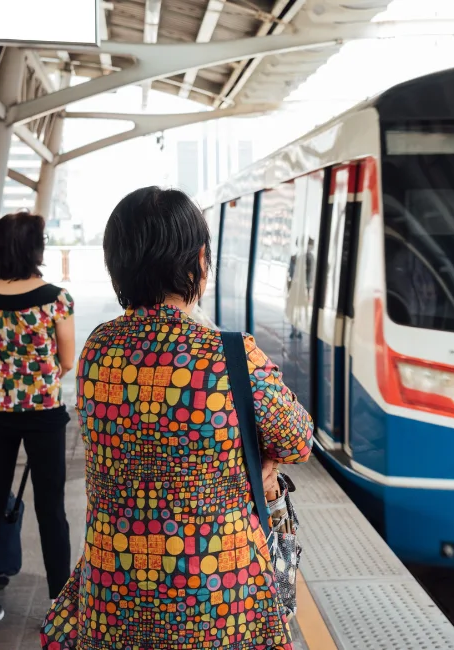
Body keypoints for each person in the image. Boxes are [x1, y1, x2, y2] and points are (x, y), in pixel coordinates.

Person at [41, 187, 313, 650]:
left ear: (118, 264)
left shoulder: (98, 348)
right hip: (217, 594)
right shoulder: (228, 355)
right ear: (198, 261)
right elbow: (298, 439)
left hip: (115, 587)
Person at [0, 212, 75, 636]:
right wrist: (36, 379)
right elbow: (66, 360)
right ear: (35, 249)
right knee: (50, 509)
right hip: (43, 414)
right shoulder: (54, 298)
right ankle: (59, 609)